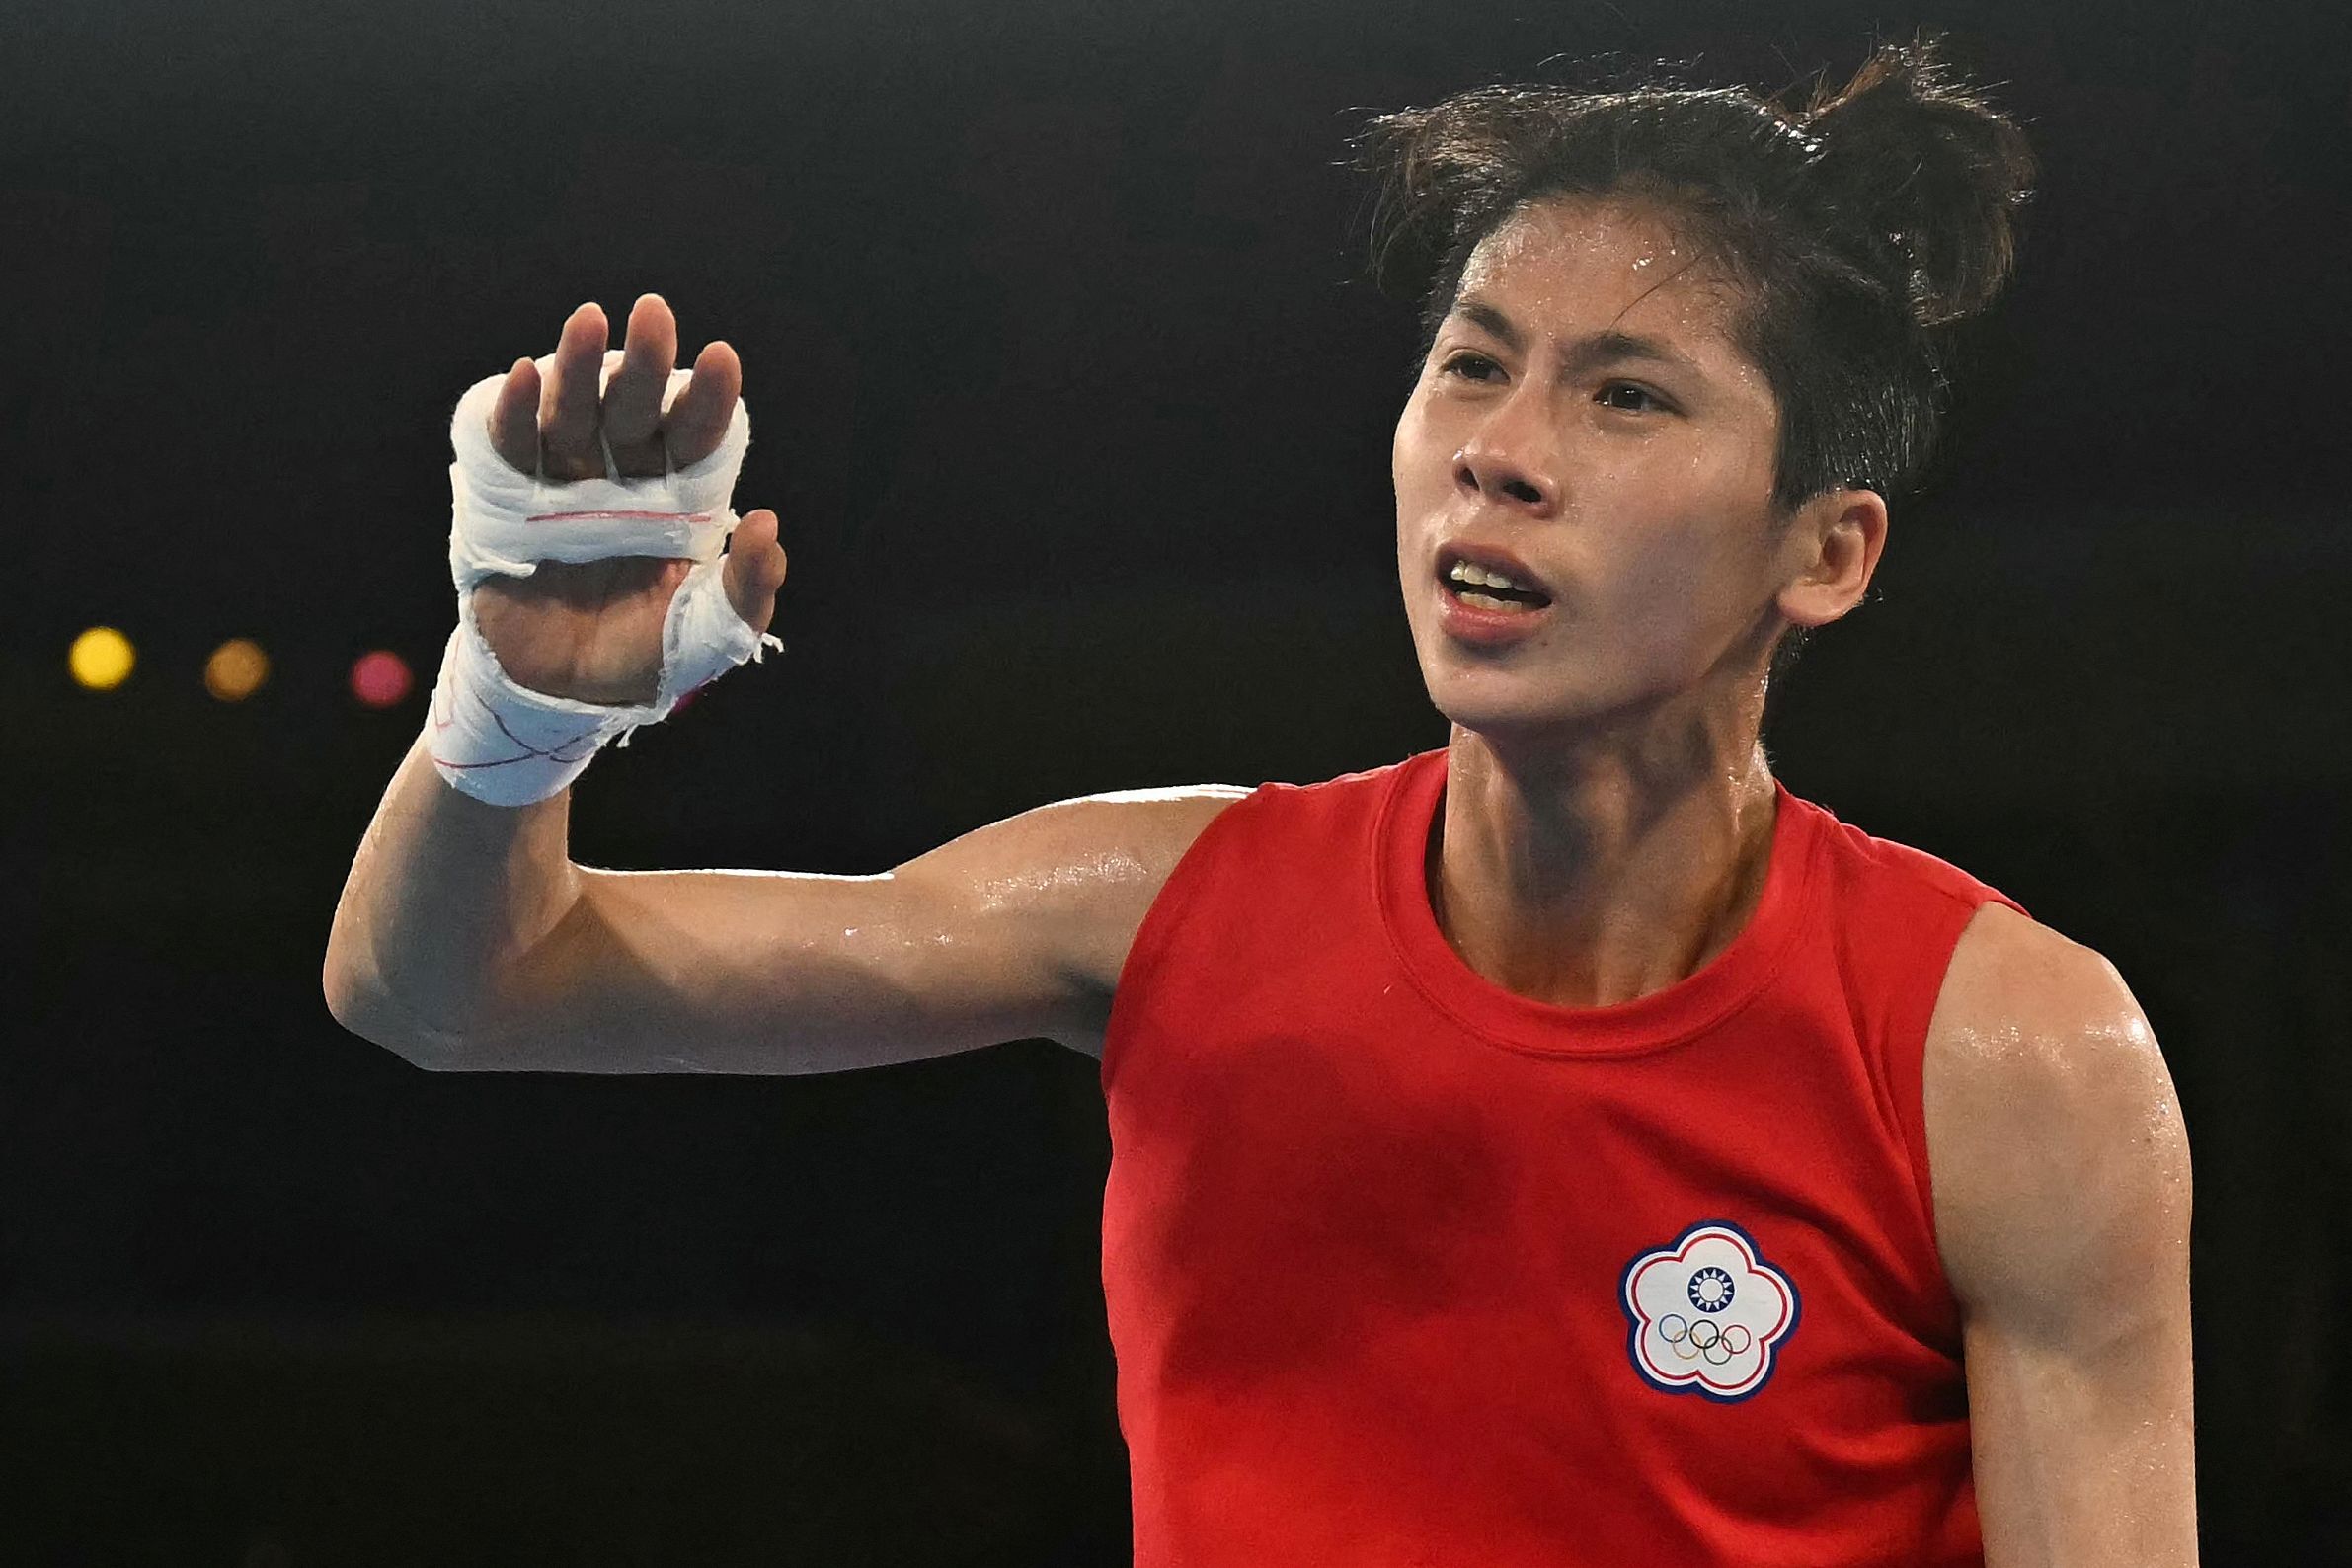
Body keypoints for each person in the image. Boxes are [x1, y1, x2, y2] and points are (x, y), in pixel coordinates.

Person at [325, 33, 2196, 1567]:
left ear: (1827, 550)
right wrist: (512, 722)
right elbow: (451, 992)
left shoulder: (2005, 1053)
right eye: (1471, 363)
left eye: (1625, 399)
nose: (1498, 454)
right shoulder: (1162, 907)